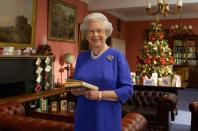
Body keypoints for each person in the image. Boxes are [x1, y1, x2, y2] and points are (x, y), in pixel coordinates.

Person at [71, 12, 133, 131]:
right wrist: (75, 90)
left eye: (99, 30)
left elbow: (127, 90)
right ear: (86, 34)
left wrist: (100, 95)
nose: (95, 35)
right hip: (83, 114)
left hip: (107, 116)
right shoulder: (81, 57)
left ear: (106, 33)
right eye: (91, 31)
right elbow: (75, 84)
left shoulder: (117, 56)